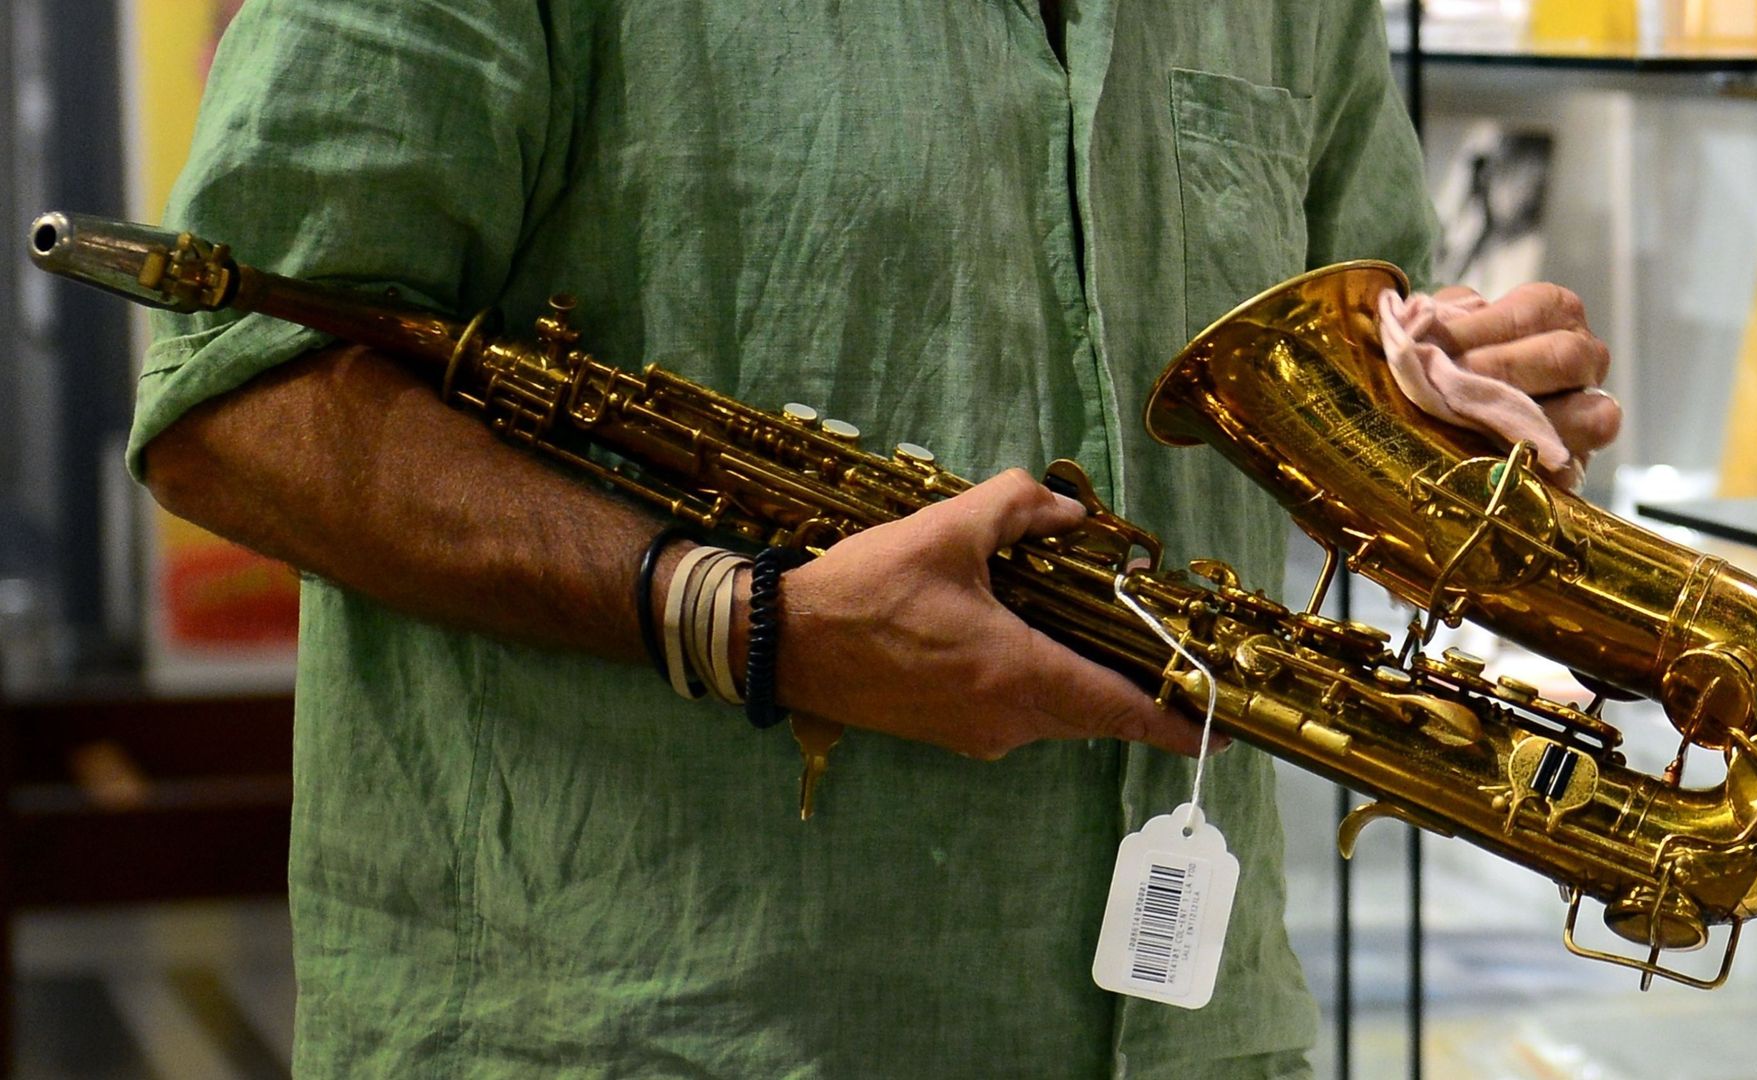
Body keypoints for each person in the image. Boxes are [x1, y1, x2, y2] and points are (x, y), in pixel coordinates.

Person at [133, 1, 1619, 1075]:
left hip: (1199, 1033)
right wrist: (734, 615)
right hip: (635, 1032)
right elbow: (239, 395)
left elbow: (1358, 364)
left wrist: (1458, 427)